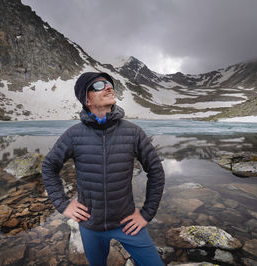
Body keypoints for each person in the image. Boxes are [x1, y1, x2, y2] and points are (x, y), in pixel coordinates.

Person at [42, 72, 165, 266]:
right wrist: (63, 204)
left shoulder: (133, 132)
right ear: (87, 99)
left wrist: (146, 214)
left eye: (109, 83)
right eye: (99, 86)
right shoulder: (74, 135)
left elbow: (156, 171)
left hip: (127, 223)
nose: (108, 87)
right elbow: (49, 166)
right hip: (91, 226)